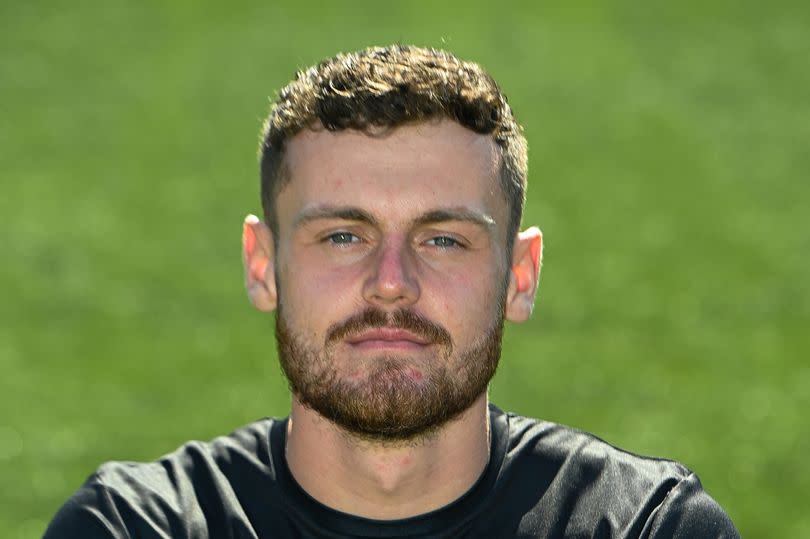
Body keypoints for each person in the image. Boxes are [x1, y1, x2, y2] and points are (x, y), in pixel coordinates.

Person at [44, 44, 739, 538]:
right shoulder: (135, 525)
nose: (390, 284)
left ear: (519, 278)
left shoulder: (644, 525)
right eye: (343, 235)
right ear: (263, 266)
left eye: (444, 239)